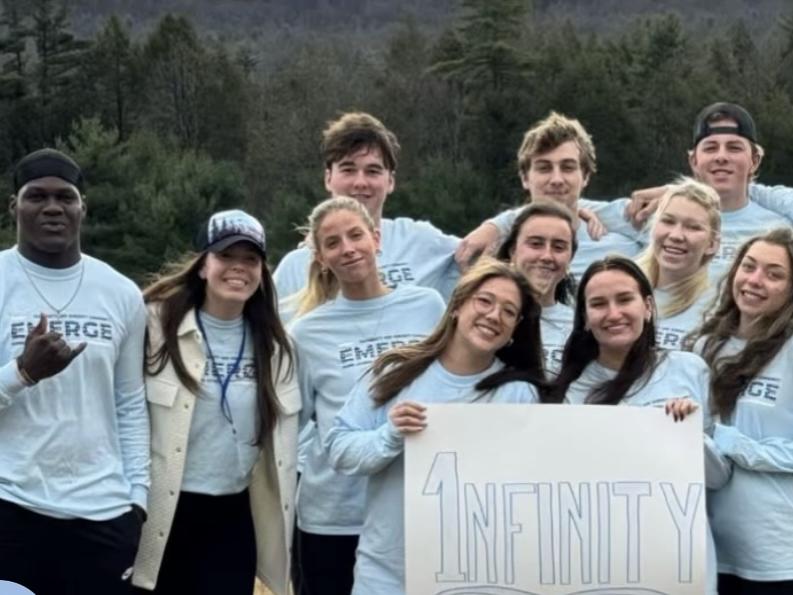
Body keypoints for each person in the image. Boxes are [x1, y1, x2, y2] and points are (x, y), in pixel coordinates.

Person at [325, 257, 546, 595]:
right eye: (484, 301)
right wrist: (389, 436)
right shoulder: (396, 371)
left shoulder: (518, 392)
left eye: (508, 311)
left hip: (474, 577)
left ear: (516, 328)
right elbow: (338, 449)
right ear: (457, 305)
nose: (493, 316)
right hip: (386, 575)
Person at [0, 148, 149, 594]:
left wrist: (137, 500)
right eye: (36, 196)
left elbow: (130, 402)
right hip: (11, 505)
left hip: (102, 513)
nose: (51, 208)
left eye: (65, 197)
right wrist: (22, 372)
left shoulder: (121, 293)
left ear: (83, 206)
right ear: (14, 207)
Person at [131, 210, 299, 595]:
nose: (238, 268)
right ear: (203, 266)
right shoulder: (154, 326)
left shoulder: (277, 346)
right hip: (164, 514)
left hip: (232, 516)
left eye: (251, 260)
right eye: (226, 257)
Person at [288, 196, 446, 595]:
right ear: (321, 257)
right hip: (334, 515)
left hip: (412, 509)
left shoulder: (427, 307)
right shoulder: (307, 333)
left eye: (356, 235)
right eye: (333, 242)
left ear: (376, 239)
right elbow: (294, 423)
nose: (348, 248)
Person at [549, 255, 723, 594]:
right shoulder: (567, 391)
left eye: (624, 299)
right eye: (598, 304)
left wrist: (690, 436)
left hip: (680, 566)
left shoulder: (690, 369)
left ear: (647, 306)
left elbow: (717, 478)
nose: (614, 313)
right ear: (584, 319)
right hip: (600, 568)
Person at [688, 227, 793, 593]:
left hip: (773, 559)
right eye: (748, 267)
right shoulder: (703, 346)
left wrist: (732, 443)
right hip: (706, 552)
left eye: (774, 274)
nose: (754, 280)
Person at [274, 112, 460, 314]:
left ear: (390, 181)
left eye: (372, 171)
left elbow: (490, 255)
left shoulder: (422, 241)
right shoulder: (294, 268)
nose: (360, 182)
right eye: (348, 169)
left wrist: (494, 226)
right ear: (328, 178)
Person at [596, 102, 793, 278]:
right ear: (694, 161)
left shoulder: (780, 227)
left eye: (734, 148)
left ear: (754, 161)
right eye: (710, 148)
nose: (721, 157)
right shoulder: (655, 213)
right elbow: (573, 210)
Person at [455, 112, 642, 279]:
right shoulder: (491, 253)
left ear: (585, 176)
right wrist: (495, 227)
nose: (556, 179)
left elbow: (666, 220)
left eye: (567, 167)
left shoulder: (623, 251)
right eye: (544, 168)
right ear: (525, 178)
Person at [635, 177, 721, 350]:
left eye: (693, 227)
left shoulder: (719, 306)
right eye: (668, 221)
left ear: (712, 244)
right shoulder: (622, 286)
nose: (676, 235)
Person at [496, 201, 577, 372]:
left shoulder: (580, 327)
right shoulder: (485, 314)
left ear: (570, 258)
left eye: (559, 247)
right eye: (535, 244)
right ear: (512, 251)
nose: (547, 256)